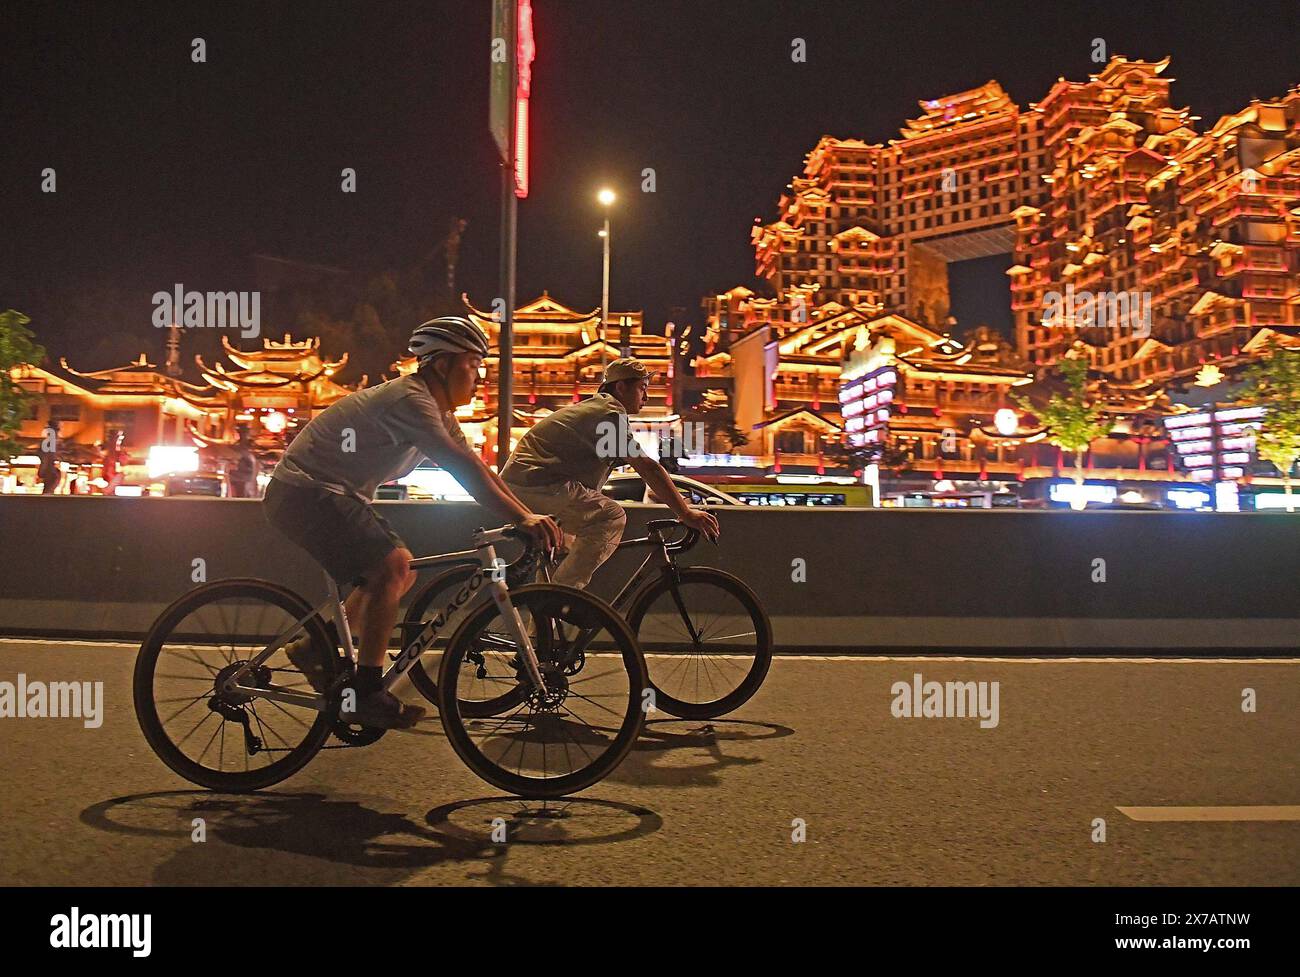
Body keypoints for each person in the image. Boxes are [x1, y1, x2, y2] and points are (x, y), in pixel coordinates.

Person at [262, 317, 562, 729]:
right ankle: (366, 693)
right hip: (305, 491)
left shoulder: (436, 409)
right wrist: (523, 518)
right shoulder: (411, 400)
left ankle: (317, 645)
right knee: (392, 566)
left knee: (396, 575)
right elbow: (462, 469)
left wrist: (526, 514)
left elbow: (479, 466)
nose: (478, 377)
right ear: (441, 365)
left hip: (333, 493)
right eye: (472, 364)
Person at [500, 357, 719, 591]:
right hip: (536, 483)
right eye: (642, 388)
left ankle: (542, 621)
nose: (646, 397)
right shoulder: (608, 413)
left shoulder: (599, 412)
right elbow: (647, 467)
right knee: (611, 516)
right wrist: (685, 512)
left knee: (567, 551)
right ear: (621, 387)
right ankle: (561, 597)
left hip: (528, 484)